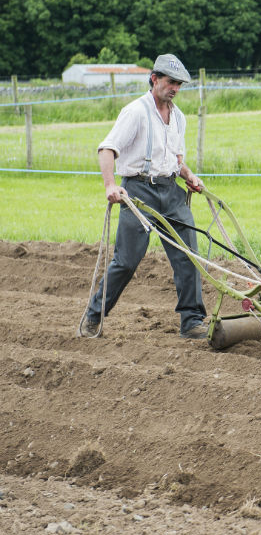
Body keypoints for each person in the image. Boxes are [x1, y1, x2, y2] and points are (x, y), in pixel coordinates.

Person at [79, 54, 208, 339]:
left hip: (171, 192)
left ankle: (192, 321)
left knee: (189, 257)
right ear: (154, 79)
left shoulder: (179, 118)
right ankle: (94, 316)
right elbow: (107, 149)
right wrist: (110, 185)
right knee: (126, 261)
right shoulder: (135, 112)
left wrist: (189, 176)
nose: (174, 88)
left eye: (179, 84)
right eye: (170, 82)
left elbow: (175, 160)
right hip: (138, 192)